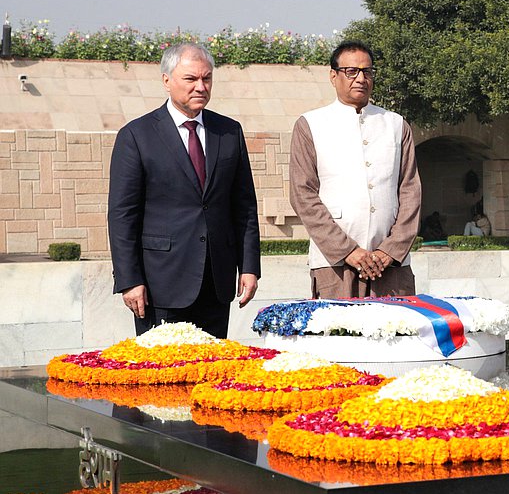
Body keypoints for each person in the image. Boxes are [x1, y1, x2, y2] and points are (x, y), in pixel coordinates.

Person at [108, 43, 260, 338]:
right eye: (191, 79)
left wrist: (250, 267)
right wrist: (129, 280)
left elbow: (244, 207)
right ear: (166, 80)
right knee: (163, 376)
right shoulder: (136, 136)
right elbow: (122, 216)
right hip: (160, 285)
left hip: (216, 284)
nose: (200, 87)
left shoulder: (229, 132)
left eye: (207, 78)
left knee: (212, 374)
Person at [289, 40, 421, 298]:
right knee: (338, 336)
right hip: (335, 263)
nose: (360, 78)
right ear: (333, 75)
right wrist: (347, 251)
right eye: (351, 71)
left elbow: (410, 192)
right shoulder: (311, 125)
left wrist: (390, 251)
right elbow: (302, 195)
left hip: (391, 264)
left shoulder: (395, 125)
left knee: (396, 335)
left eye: (367, 71)